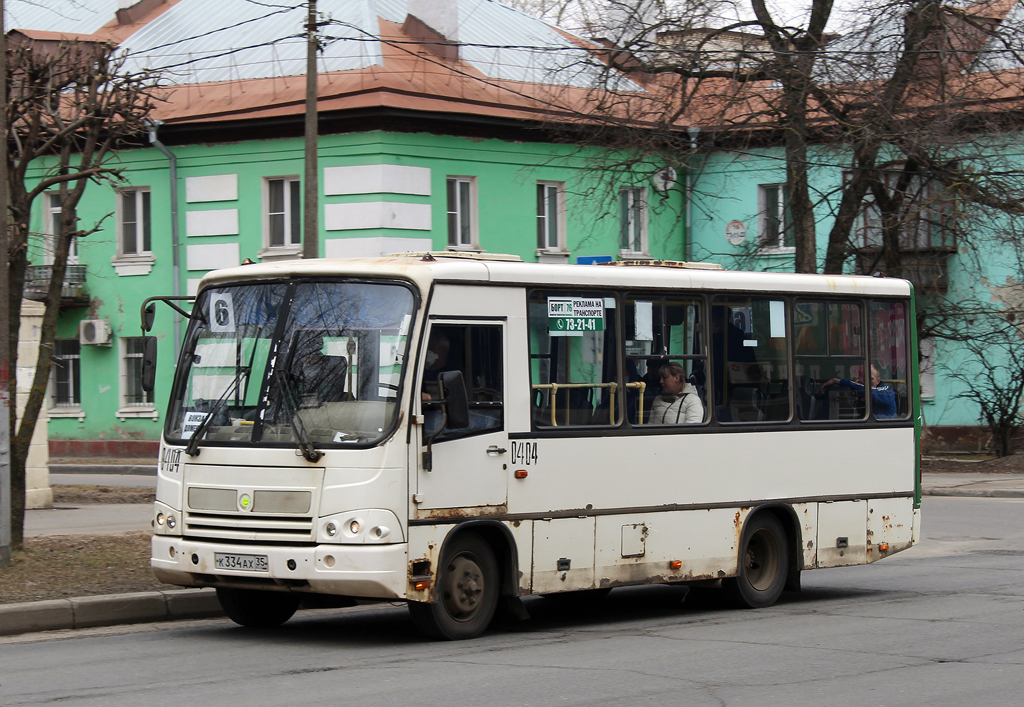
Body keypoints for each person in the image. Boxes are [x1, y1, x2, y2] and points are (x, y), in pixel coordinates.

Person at [821, 364, 897, 419]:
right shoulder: (861, 392)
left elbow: (870, 391)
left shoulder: (888, 391)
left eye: (870, 379)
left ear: (878, 380)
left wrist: (837, 381)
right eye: (864, 380)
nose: (867, 382)